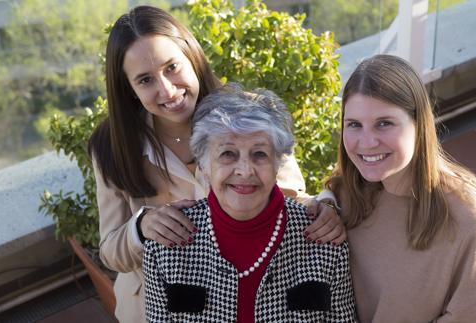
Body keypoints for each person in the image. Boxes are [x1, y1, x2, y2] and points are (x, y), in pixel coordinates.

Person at [88, 5, 344, 323]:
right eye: (145, 80)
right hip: (163, 309)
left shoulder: (249, 116)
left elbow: (291, 199)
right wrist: (141, 228)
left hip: (262, 296)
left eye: (171, 67)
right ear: (129, 89)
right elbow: (111, 251)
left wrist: (327, 208)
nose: (167, 90)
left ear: (192, 58)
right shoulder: (112, 146)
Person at [144, 83, 357, 322]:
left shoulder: (325, 242)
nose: (245, 171)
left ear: (278, 163)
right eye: (227, 154)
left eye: (259, 154)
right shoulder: (166, 246)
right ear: (204, 166)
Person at [327, 54, 476, 322]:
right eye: (354, 124)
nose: (366, 143)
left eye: (384, 123)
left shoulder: (471, 223)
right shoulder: (352, 187)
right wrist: (324, 203)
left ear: (419, 125)